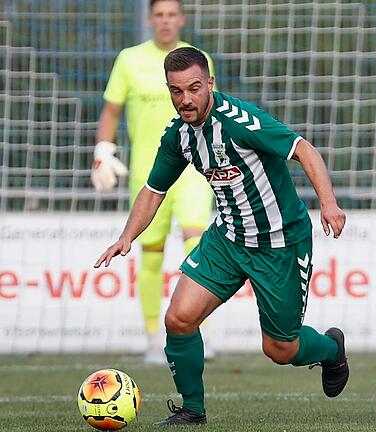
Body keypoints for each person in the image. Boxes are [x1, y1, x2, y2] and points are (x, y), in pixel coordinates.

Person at [94, 47, 350, 425]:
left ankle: (331, 349)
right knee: (179, 319)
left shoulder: (239, 121)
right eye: (176, 91)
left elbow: (303, 150)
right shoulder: (179, 136)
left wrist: (329, 204)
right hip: (228, 239)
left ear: (209, 84)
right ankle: (192, 411)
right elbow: (153, 190)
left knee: (280, 348)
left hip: (280, 242)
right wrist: (126, 236)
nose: (186, 99)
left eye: (194, 88)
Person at [91, 0, 216, 364]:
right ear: (150, 20)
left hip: (195, 170)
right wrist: (103, 151)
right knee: (149, 255)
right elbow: (111, 111)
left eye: (171, 14)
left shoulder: (198, 58)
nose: (165, 21)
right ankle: (151, 338)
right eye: (159, 15)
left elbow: (212, 110)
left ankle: (197, 330)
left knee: (198, 244)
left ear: (182, 19)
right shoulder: (129, 59)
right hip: (151, 175)